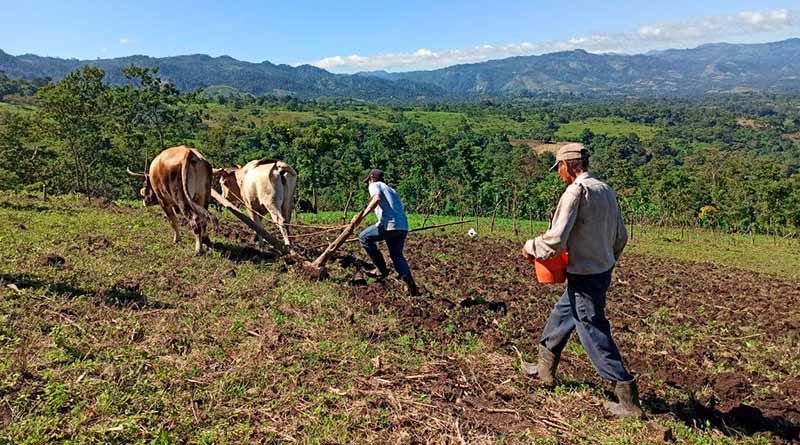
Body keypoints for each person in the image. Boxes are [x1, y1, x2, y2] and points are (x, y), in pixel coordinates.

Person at [521, 143, 643, 418]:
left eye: (559, 169)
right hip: (600, 270)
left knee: (590, 327)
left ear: (567, 166)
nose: (558, 174)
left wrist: (530, 247)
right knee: (563, 314)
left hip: (584, 273)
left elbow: (555, 239)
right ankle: (544, 369)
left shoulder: (575, 192)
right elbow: (621, 236)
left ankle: (626, 397)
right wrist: (604, 259)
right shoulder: (605, 189)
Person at [352, 169, 419, 296]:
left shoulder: (374, 185)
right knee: (397, 256)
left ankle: (381, 270)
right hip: (402, 227)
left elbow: (376, 199)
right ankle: (411, 285)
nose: (368, 183)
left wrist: (360, 218)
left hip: (389, 225)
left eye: (368, 181)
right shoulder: (392, 190)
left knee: (363, 237)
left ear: (371, 178)